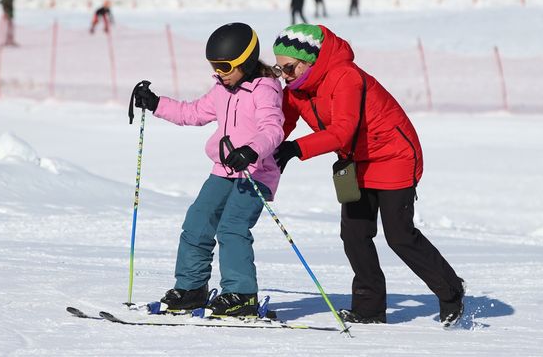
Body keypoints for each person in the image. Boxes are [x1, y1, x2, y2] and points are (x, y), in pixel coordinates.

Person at [271, 24, 465, 326]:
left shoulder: (345, 76)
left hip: (393, 155)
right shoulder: (296, 91)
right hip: (355, 160)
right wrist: (259, 150)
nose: (285, 76)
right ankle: (369, 309)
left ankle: (451, 291)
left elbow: (341, 131)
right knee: (354, 234)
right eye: (279, 68)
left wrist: (295, 149)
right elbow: (279, 126)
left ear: (310, 60)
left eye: (289, 68)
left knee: (399, 236)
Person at [133, 23, 284, 317]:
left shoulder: (265, 90)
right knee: (197, 221)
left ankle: (241, 294)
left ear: (246, 61)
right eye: (214, 66)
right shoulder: (221, 89)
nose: (219, 73)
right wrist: (155, 103)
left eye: (225, 66)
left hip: (256, 172)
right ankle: (191, 289)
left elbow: (272, 130)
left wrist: (252, 150)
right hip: (223, 170)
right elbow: (192, 113)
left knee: (232, 227)